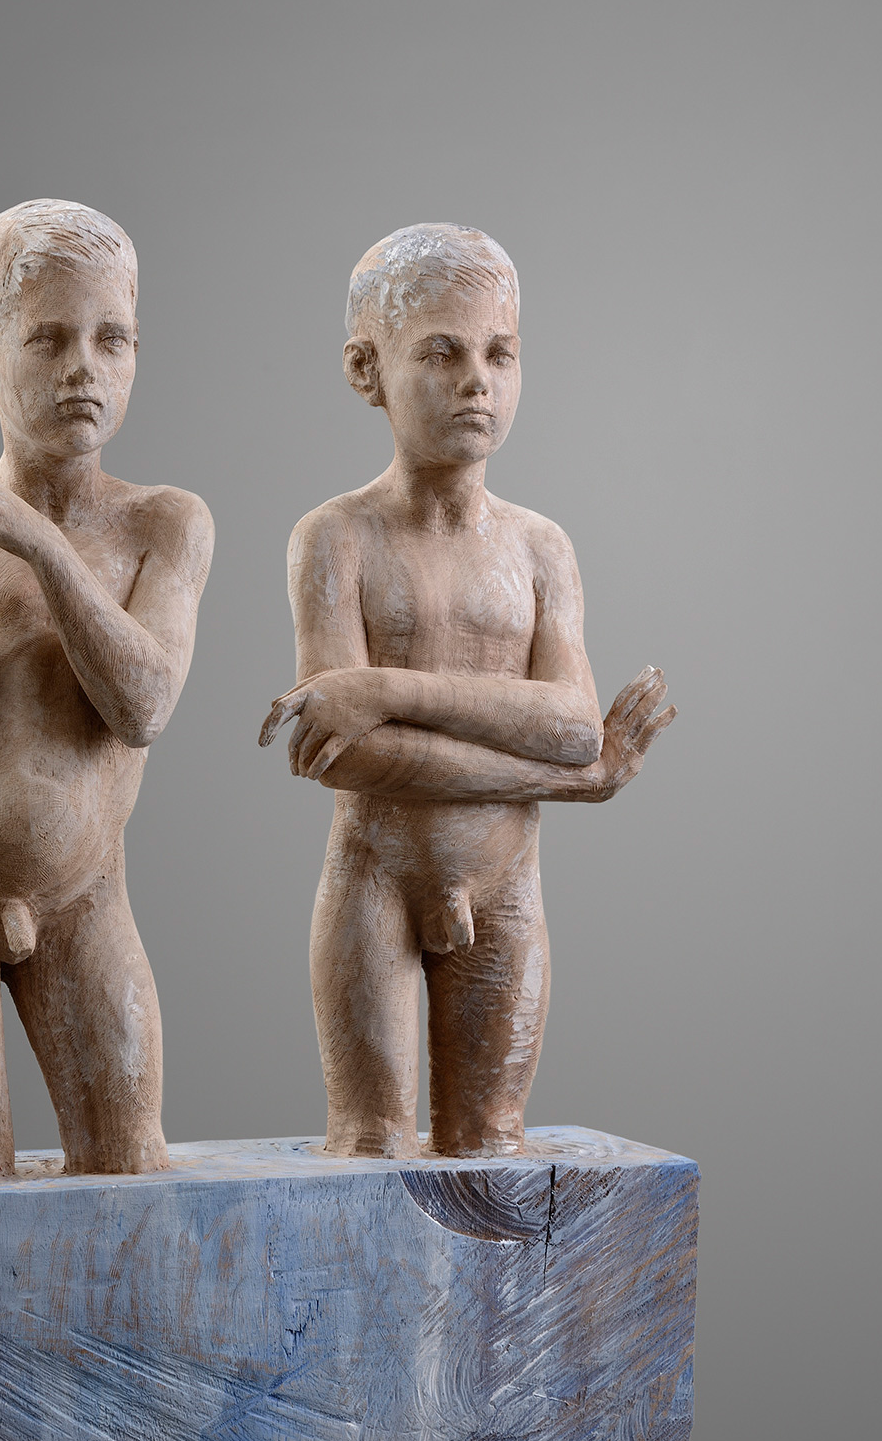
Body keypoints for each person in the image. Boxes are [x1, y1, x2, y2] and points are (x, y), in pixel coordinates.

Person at [260, 223, 675, 1159]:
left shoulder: (539, 548)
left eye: (500, 354)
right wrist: (571, 782)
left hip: (506, 889)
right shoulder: (335, 538)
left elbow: (571, 725)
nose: (477, 381)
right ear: (367, 369)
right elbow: (345, 754)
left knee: (491, 1153)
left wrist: (380, 686)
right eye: (441, 353)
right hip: (373, 879)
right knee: (367, 1152)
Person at [0, 199, 213, 1178]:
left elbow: (143, 703)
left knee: (126, 1165)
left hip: (84, 895)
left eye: (111, 338)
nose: (82, 368)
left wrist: (39, 541)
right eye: (48, 338)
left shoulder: (164, 525)